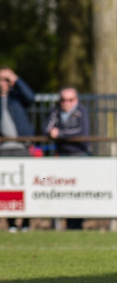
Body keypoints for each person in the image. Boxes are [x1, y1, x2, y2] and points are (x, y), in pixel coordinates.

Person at [0, 67, 35, 232]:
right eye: (1, 79)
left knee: (26, 185)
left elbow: (31, 97)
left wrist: (16, 80)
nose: (4, 82)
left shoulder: (18, 98)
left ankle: (26, 222)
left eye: (7, 79)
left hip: (23, 147)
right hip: (4, 149)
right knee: (8, 187)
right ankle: (11, 222)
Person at [45, 86, 91, 229]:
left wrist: (60, 134)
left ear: (76, 100)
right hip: (63, 156)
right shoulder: (56, 111)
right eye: (63, 100)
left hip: (80, 155)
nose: (66, 103)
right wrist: (57, 134)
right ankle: (68, 223)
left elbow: (82, 133)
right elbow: (46, 129)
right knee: (65, 192)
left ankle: (77, 223)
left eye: (69, 100)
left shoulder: (81, 111)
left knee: (80, 192)